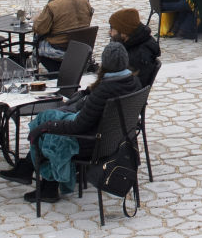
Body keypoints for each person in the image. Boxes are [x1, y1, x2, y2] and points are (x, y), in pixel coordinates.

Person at [16, 40, 146, 203]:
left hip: (94, 144)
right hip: (116, 140)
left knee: (50, 136)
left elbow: (78, 126)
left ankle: (46, 185)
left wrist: (46, 127)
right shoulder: (134, 82)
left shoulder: (103, 90)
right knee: (49, 118)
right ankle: (29, 169)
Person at [108, 7, 162, 88]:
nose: (110, 32)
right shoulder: (132, 45)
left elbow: (119, 87)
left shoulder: (136, 57)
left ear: (124, 31)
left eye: (112, 28)